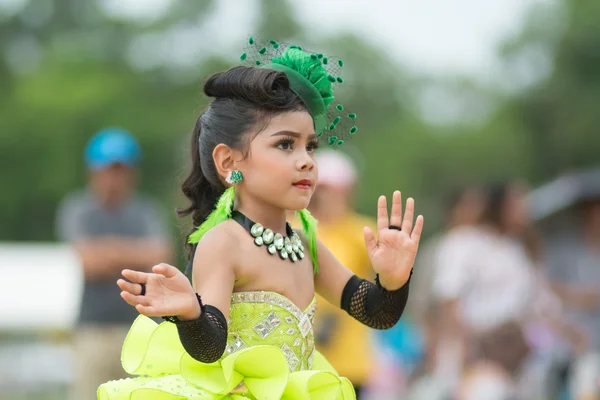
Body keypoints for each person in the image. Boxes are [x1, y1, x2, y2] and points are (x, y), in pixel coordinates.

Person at [97, 39, 424, 400]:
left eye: (310, 146)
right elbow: (210, 347)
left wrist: (393, 280)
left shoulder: (304, 244)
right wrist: (191, 314)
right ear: (229, 162)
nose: (307, 161)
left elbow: (376, 313)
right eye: (286, 144)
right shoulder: (225, 241)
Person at [55, 127, 172, 400]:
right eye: (108, 169)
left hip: (141, 331)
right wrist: (135, 255)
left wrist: (107, 250)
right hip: (93, 331)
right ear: (93, 172)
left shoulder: (147, 210)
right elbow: (88, 262)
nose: (114, 178)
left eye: (121, 170)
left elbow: (160, 258)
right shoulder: (77, 208)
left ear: (132, 173)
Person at [305, 149, 377, 397]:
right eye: (320, 189)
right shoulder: (295, 227)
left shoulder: (362, 231)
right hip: (304, 360)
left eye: (331, 189)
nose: (323, 196)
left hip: (349, 361)